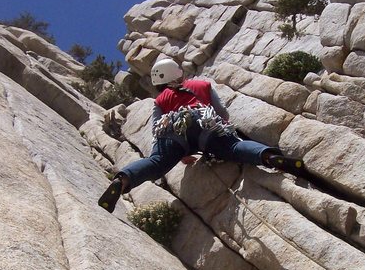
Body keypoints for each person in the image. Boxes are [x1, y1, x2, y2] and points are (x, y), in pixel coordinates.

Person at [98, 58, 304, 212]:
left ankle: (122, 181)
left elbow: (156, 129)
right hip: (205, 123)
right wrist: (224, 133)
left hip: (174, 129)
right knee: (233, 148)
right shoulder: (201, 85)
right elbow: (222, 113)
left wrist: (180, 152)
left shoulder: (160, 99)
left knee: (156, 162)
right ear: (176, 73)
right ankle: (269, 157)